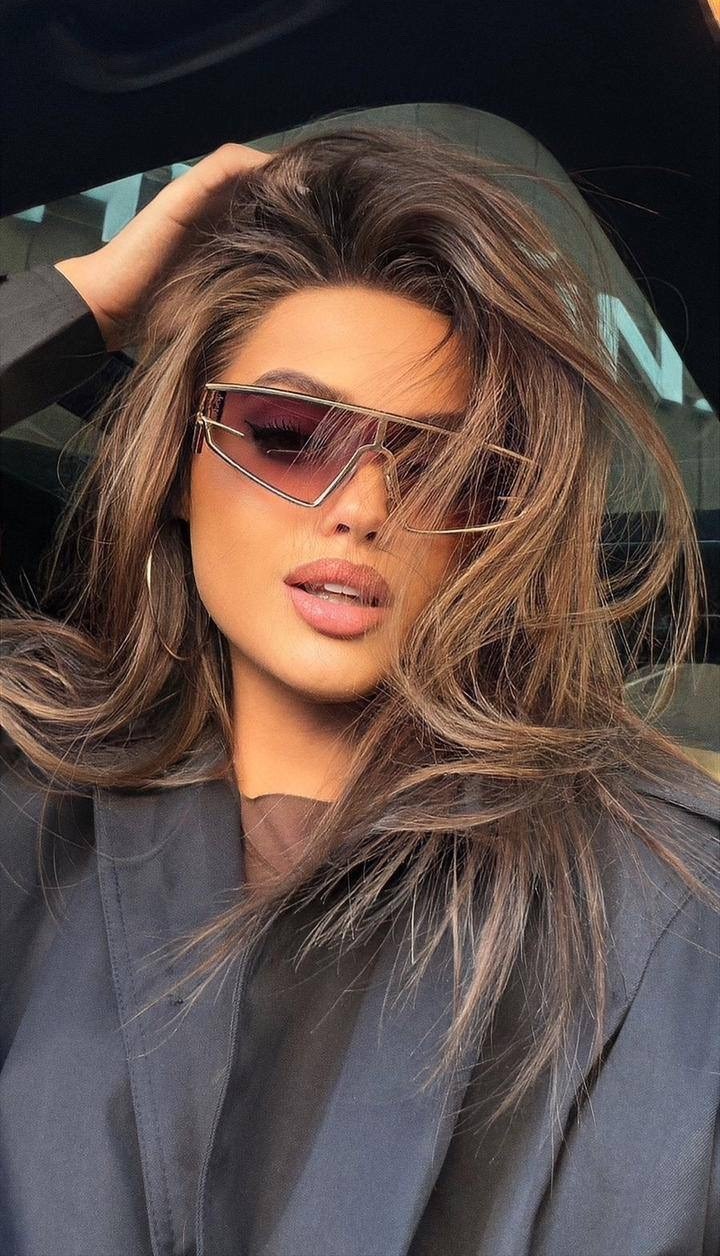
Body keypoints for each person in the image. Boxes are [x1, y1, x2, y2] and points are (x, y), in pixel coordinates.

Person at [0, 128, 718, 1256]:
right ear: (179, 463)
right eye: (289, 434)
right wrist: (84, 300)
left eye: (441, 464)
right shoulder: (26, 798)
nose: (364, 507)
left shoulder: (667, 901)